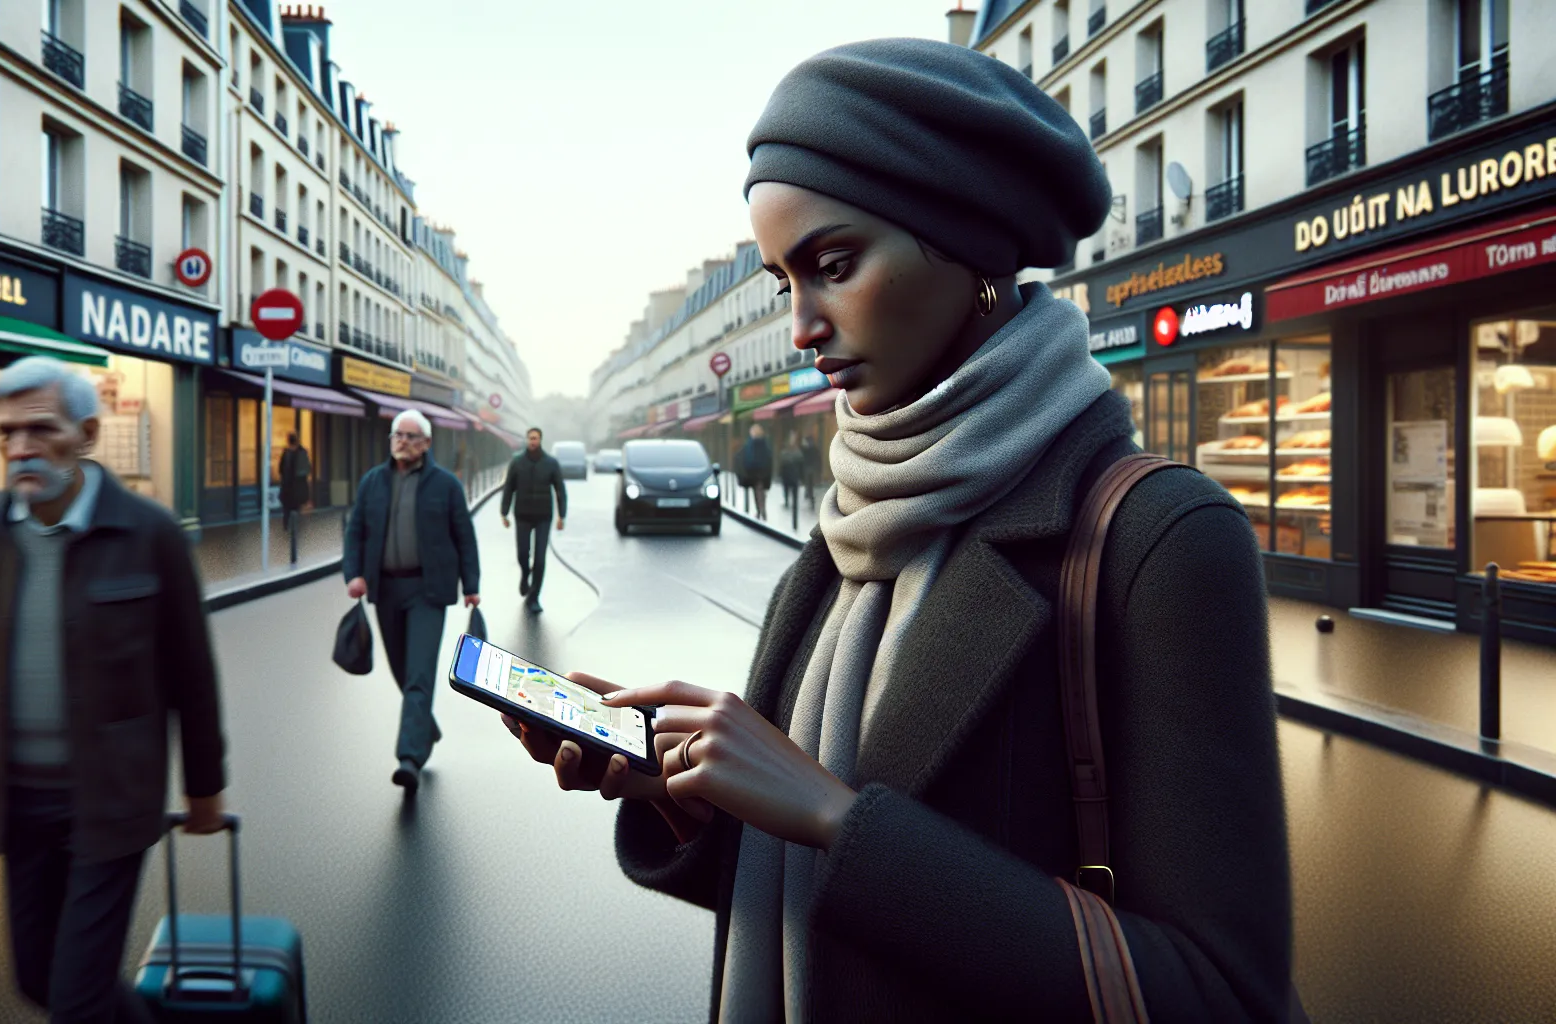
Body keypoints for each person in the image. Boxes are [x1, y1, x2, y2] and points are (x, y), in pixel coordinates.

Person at [506, 39, 1291, 1021]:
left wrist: (838, 818)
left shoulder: (1158, 539)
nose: (800, 325)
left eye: (832, 266)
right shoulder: (843, 538)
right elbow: (806, 906)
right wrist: (686, 792)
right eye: (782, 283)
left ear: (969, 247)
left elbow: (1222, 996)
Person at [0, 356, 228, 1023]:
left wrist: (204, 786)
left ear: (89, 433)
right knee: (39, 981)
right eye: (6, 433)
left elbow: (193, 673)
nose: (20, 449)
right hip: (15, 800)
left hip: (110, 798)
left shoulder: (149, 536)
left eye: (40, 430)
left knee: (75, 997)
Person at [343, 409, 481, 793]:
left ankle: (409, 758)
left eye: (409, 435)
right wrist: (353, 575)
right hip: (385, 591)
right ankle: (426, 729)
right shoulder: (373, 482)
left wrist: (471, 584)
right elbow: (355, 533)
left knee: (419, 673)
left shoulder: (446, 485)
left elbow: (464, 537)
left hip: (428, 592)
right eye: (396, 435)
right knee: (402, 673)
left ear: (426, 443)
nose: (401, 441)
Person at [499, 427, 568, 614]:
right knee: (522, 553)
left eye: (536, 438)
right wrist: (503, 513)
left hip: (543, 516)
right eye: (530, 438)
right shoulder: (517, 462)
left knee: (539, 558)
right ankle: (524, 574)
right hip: (522, 515)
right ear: (526, 440)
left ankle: (534, 596)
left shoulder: (551, 463)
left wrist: (562, 515)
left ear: (540, 440)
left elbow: (560, 490)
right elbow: (508, 488)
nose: (532, 441)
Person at [279, 431, 312, 547]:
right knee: (294, 509)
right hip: (295, 487)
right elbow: (307, 470)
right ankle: (292, 528)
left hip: (290, 487)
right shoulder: (302, 452)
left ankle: (289, 528)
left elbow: (281, 470)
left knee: (288, 509)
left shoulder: (287, 453)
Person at [739, 424, 774, 522]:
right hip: (763, 470)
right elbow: (769, 455)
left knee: (757, 490)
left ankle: (760, 510)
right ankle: (761, 509)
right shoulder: (764, 442)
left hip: (754, 470)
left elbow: (747, 456)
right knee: (760, 490)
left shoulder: (751, 442)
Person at [777, 431, 805, 524]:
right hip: (786, 473)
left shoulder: (798, 450)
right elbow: (782, 462)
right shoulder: (786, 449)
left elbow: (801, 464)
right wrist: (780, 473)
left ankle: (794, 504)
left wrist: (801, 476)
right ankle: (786, 501)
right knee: (786, 489)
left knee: (794, 490)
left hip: (795, 474)